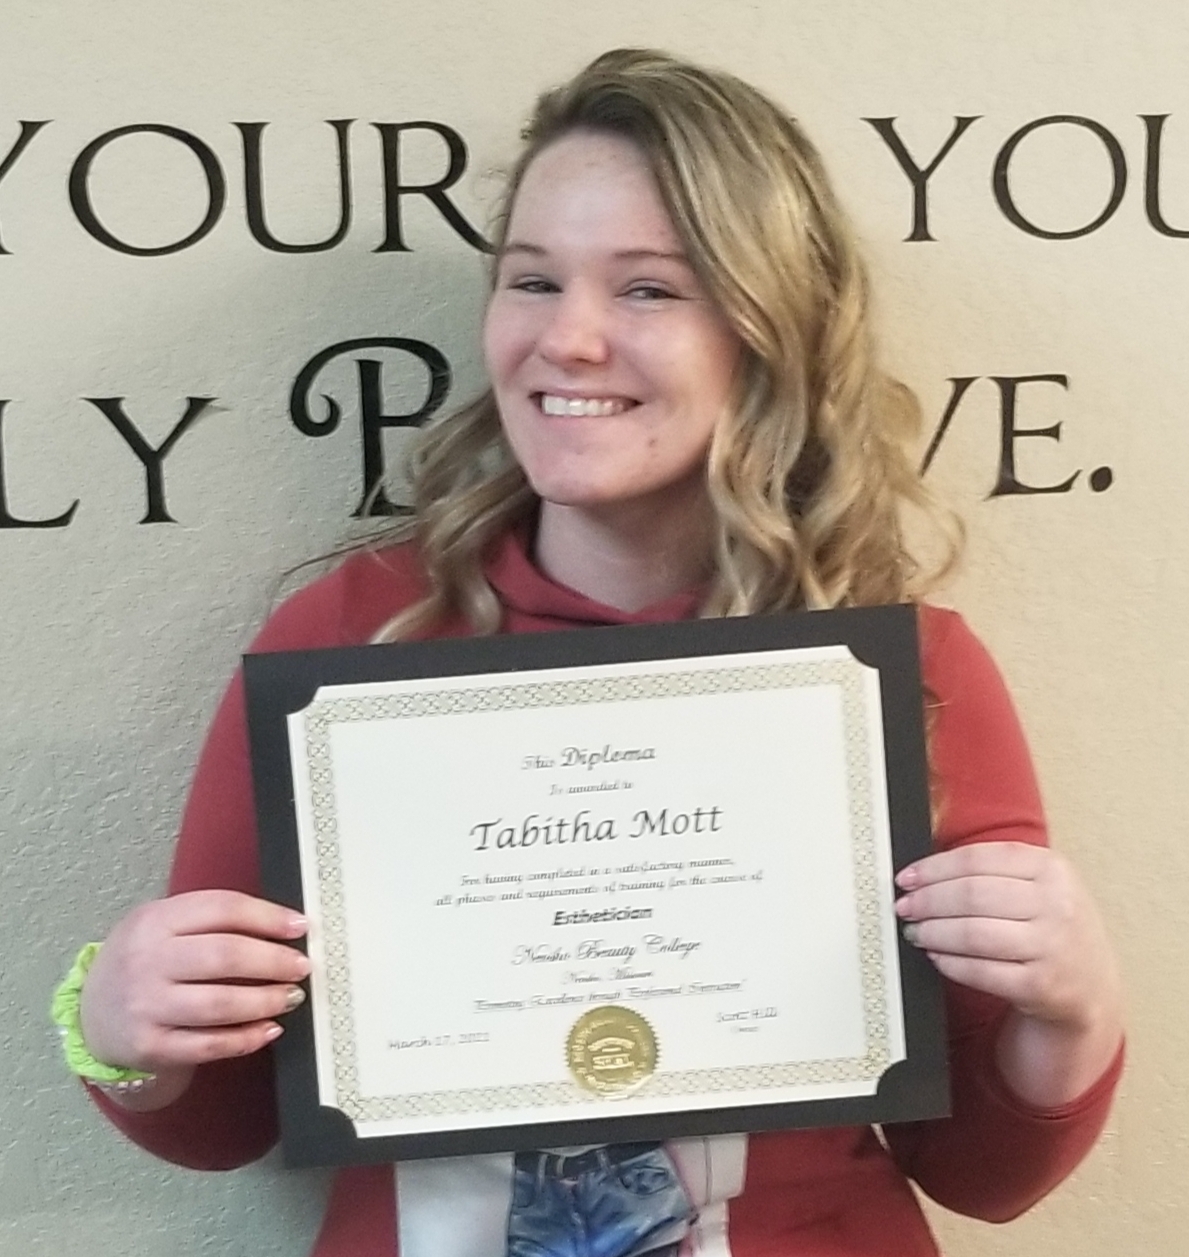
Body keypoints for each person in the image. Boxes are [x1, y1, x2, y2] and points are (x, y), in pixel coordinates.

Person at [57, 48, 1124, 1257]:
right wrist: (125, 1026)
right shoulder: (347, 641)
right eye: (531, 279)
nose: (566, 338)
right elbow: (228, 1123)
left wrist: (1072, 1010)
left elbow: (983, 1176)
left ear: (767, 330)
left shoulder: (900, 677)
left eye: (649, 289)